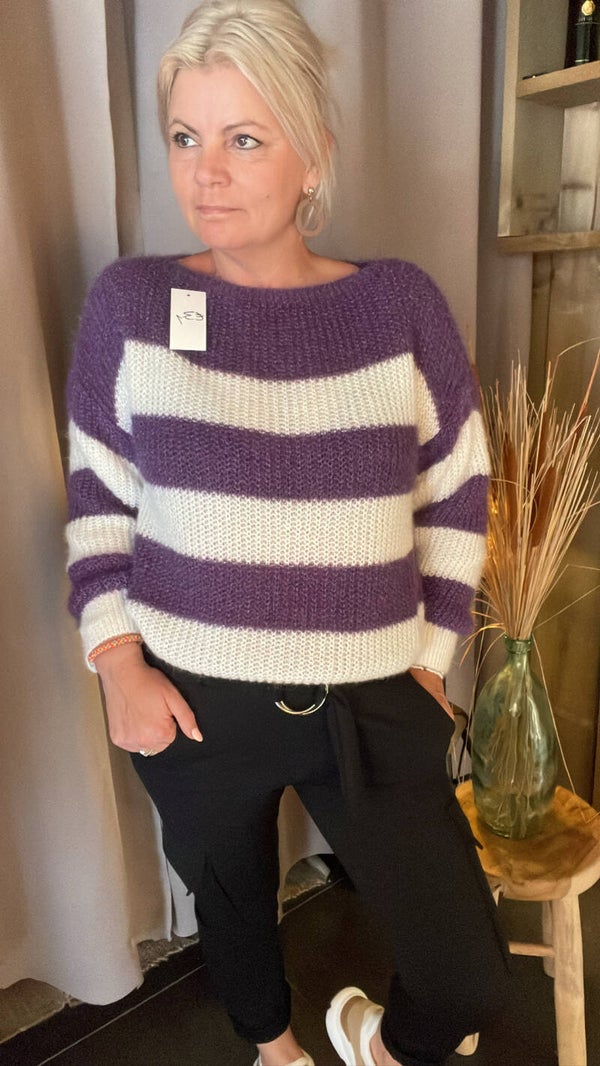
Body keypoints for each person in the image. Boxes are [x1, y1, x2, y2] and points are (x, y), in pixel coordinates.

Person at [66, 2, 511, 1064]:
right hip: (193, 694)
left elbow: (458, 491)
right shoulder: (131, 305)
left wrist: (431, 657)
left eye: (244, 138)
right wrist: (118, 662)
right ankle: (274, 1051)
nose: (206, 172)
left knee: (466, 973)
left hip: (370, 689)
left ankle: (369, 1039)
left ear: (313, 155)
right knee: (230, 909)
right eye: (186, 136)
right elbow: (97, 499)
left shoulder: (397, 306)